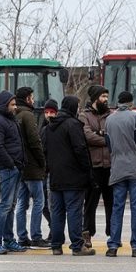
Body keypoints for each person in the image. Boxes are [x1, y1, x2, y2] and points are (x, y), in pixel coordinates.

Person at [42, 95, 96, 256]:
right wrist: (88, 171)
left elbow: (44, 151)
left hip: (55, 176)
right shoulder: (73, 125)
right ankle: (77, 245)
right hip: (73, 176)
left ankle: (56, 245)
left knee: (57, 211)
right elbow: (80, 150)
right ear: (73, 107)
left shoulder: (48, 128)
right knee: (74, 211)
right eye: (77, 106)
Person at [104, 91, 136, 258]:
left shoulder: (109, 120)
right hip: (135, 168)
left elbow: (108, 144)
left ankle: (113, 245)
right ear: (131, 103)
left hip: (117, 168)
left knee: (117, 207)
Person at [0, 90, 28, 255]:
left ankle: (9, 240)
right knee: (5, 205)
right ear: (4, 105)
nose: (15, 107)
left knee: (11, 206)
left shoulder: (10, 120)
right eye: (12, 105)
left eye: (15, 104)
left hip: (16, 167)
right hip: (8, 169)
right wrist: (11, 164)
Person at [14, 87, 50, 248]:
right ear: (27, 99)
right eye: (32, 97)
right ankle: (36, 236)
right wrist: (42, 161)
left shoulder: (14, 115)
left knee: (22, 202)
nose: (34, 100)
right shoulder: (28, 116)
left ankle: (22, 236)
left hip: (20, 166)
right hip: (33, 167)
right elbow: (35, 141)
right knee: (39, 202)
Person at [79, 85, 113, 248]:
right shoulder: (84, 116)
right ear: (95, 98)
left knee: (111, 202)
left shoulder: (111, 115)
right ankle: (87, 233)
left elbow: (114, 134)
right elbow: (87, 136)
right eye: (103, 97)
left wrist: (100, 135)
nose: (106, 100)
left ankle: (113, 233)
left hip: (110, 166)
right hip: (93, 166)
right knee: (90, 202)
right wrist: (105, 138)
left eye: (107, 97)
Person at [40, 98, 59, 241]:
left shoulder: (58, 129)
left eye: (52, 112)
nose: (49, 115)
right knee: (43, 204)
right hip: (43, 170)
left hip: (54, 170)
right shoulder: (42, 129)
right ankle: (54, 227)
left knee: (52, 203)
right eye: (46, 112)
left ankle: (55, 231)